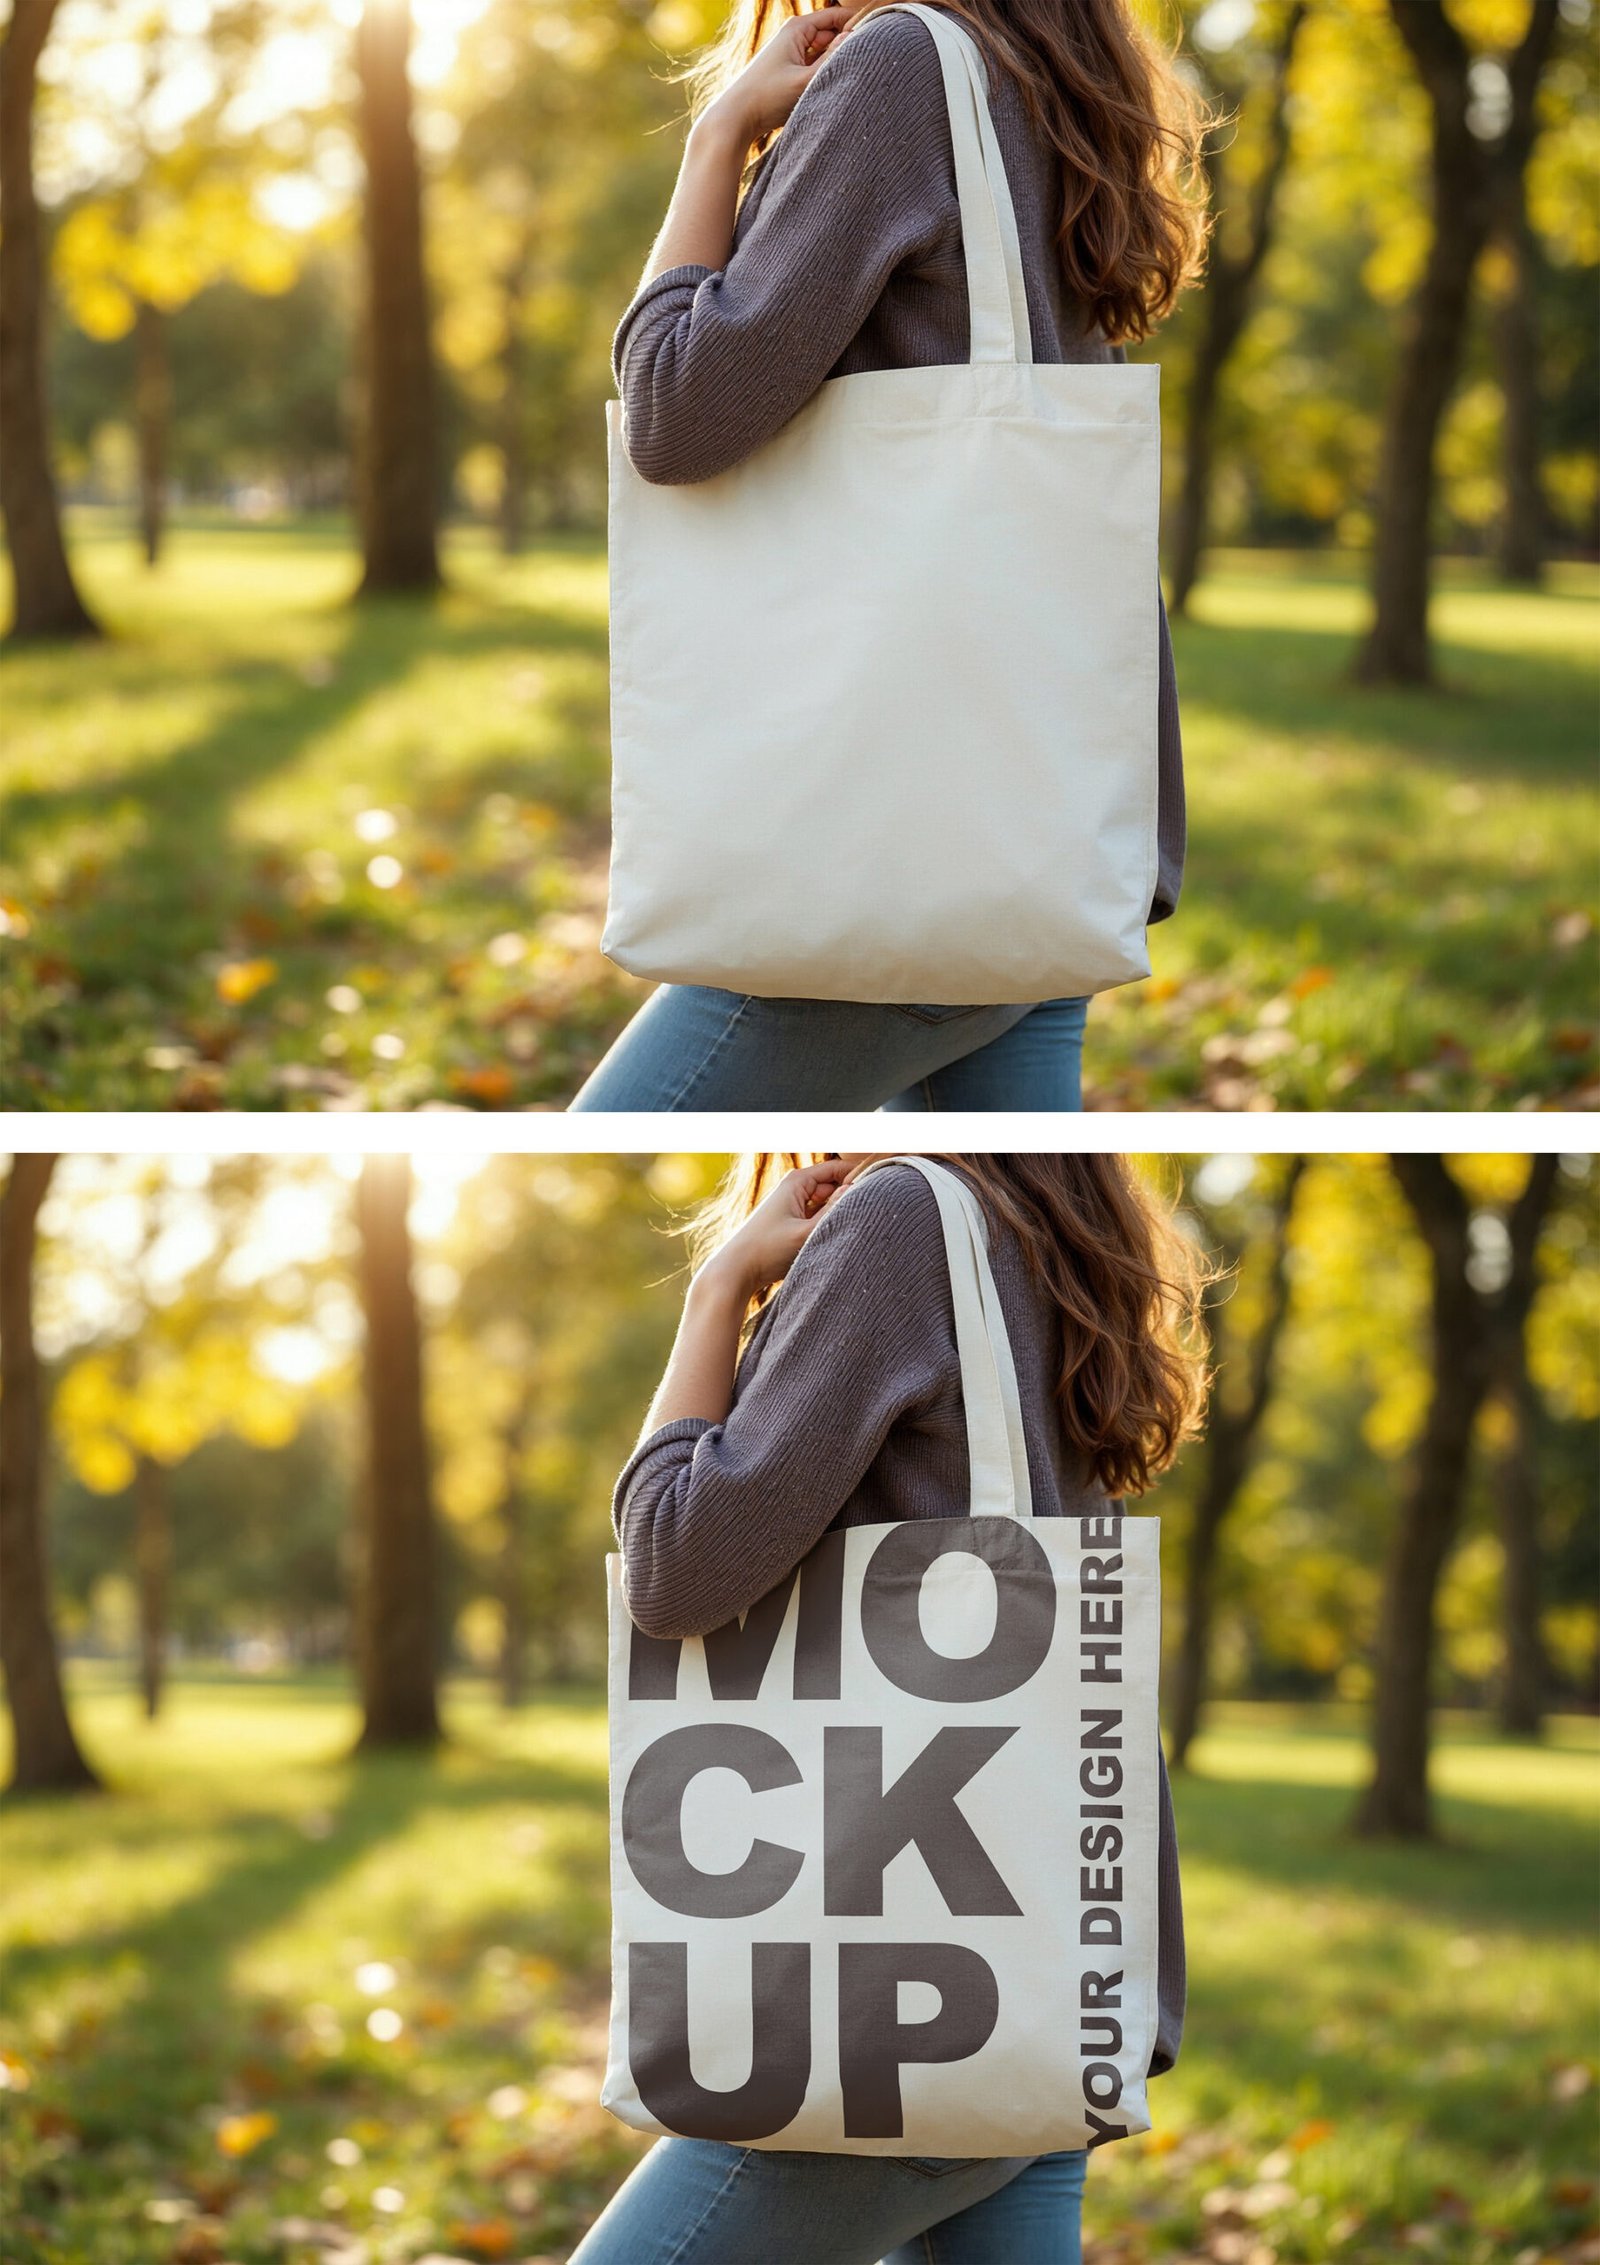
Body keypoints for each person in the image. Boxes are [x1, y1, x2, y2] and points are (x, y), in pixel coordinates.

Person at [570, 0, 1206, 1112]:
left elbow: (671, 412)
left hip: (890, 844)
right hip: (1032, 819)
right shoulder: (1061, 82)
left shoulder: (903, 69)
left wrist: (719, 136)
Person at [572, 1152, 1207, 2264]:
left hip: (881, 2022)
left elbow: (671, 1567)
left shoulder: (901, 1218)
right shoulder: (1068, 1225)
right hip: (1032, 1991)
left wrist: (718, 1287)